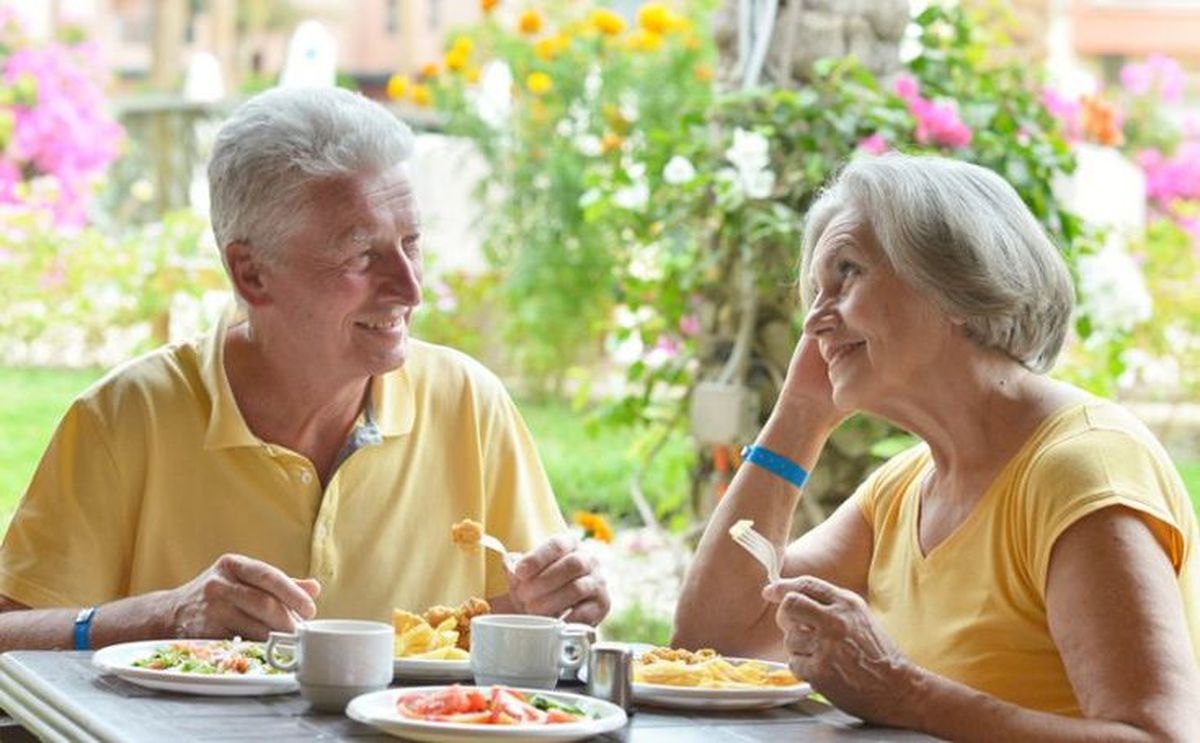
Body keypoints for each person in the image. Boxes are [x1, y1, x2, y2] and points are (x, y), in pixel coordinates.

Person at [0, 87, 609, 651]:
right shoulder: (124, 418)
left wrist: (557, 604)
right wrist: (162, 617)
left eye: (412, 242)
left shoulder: (468, 402)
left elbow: (519, 622)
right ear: (252, 274)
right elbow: (9, 632)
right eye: (361, 253)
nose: (410, 287)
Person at [674, 154, 1199, 740]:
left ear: (956, 280)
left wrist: (904, 693)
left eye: (846, 273)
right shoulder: (903, 490)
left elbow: (1158, 737)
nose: (815, 321)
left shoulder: (1081, 469)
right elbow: (715, 640)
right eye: (815, 293)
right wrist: (799, 417)